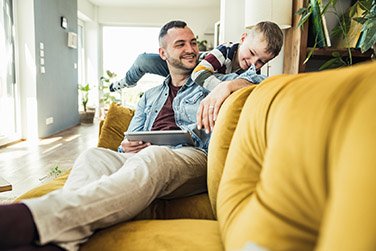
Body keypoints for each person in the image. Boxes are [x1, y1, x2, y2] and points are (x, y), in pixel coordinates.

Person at [0, 20, 210, 251]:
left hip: (191, 157)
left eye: (192, 43)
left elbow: (254, 78)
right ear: (163, 53)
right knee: (93, 157)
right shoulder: (150, 96)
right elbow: (129, 139)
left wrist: (225, 87)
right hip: (144, 156)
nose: (191, 50)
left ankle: (26, 219)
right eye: (180, 44)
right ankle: (61, 244)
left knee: (155, 156)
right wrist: (127, 146)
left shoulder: (211, 86)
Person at [109, 21, 283, 133]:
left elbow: (257, 86)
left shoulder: (252, 70)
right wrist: (221, 88)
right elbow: (199, 73)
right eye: (251, 53)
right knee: (143, 60)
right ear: (243, 39)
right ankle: (123, 83)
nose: (253, 62)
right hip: (194, 66)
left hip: (197, 77)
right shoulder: (225, 51)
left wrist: (230, 86)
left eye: (261, 61)